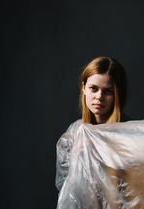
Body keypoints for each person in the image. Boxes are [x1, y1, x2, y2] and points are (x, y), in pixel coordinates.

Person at [55, 57, 129, 191]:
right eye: (94, 89)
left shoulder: (128, 134)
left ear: (118, 94)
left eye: (108, 91)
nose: (99, 97)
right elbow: (66, 190)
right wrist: (76, 160)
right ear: (84, 88)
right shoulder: (73, 134)